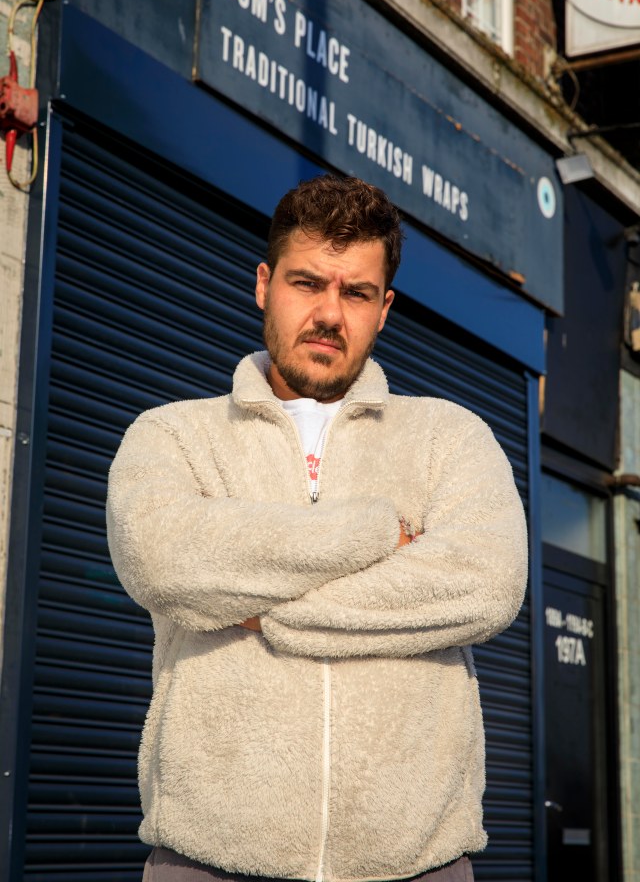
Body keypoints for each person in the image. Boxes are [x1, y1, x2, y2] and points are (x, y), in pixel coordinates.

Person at [106, 174, 528, 882]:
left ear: (384, 308)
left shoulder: (449, 438)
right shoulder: (172, 435)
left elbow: (486, 585)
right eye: (307, 283)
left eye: (356, 292)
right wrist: (370, 533)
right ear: (264, 284)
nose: (330, 313)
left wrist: (261, 611)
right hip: (208, 860)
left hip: (416, 863)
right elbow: (162, 560)